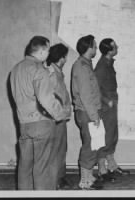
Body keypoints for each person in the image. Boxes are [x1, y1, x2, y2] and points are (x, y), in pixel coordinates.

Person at [10, 36, 65, 190]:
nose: (48, 53)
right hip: (41, 125)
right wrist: (60, 114)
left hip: (23, 125)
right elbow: (46, 99)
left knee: (25, 168)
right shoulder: (39, 69)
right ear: (41, 51)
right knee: (43, 169)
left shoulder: (16, 69)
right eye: (48, 50)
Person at [95, 38, 130, 183]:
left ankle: (112, 165)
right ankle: (102, 170)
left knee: (112, 134)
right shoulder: (102, 66)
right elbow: (95, 88)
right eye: (115, 46)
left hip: (111, 101)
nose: (118, 47)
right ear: (109, 50)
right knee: (105, 136)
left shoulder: (108, 63)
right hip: (105, 105)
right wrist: (106, 101)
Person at [71, 35, 104, 190]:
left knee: (94, 145)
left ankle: (89, 177)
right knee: (89, 146)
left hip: (89, 111)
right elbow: (85, 95)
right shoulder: (82, 67)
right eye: (95, 46)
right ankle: (84, 182)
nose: (96, 49)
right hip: (87, 112)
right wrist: (94, 116)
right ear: (88, 47)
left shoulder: (86, 64)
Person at [46, 43, 73, 190]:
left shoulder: (57, 73)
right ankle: (55, 181)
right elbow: (52, 97)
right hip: (56, 119)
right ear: (61, 58)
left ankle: (59, 178)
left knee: (61, 149)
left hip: (60, 118)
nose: (66, 60)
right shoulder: (52, 74)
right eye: (65, 57)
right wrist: (60, 114)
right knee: (57, 150)